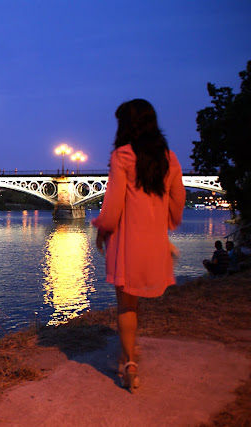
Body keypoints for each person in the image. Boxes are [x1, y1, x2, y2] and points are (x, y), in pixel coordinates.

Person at [92, 99, 186, 392]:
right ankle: (127, 351)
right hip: (155, 243)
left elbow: (113, 204)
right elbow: (178, 201)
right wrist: (166, 222)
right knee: (137, 301)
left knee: (126, 305)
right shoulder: (169, 158)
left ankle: (130, 362)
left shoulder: (122, 156)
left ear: (127, 125)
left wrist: (102, 229)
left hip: (126, 242)